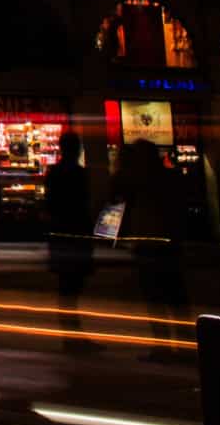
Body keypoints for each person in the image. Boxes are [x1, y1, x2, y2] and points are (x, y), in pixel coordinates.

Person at [113, 138, 190, 360]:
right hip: (168, 244)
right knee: (175, 298)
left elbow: (114, 198)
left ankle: (163, 345)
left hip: (149, 244)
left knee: (156, 298)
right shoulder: (168, 178)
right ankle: (185, 346)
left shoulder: (136, 182)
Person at [42, 130, 97, 346]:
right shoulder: (79, 174)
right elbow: (85, 205)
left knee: (67, 287)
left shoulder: (54, 173)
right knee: (71, 287)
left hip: (61, 235)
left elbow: (49, 204)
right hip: (76, 234)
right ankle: (73, 335)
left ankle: (71, 333)